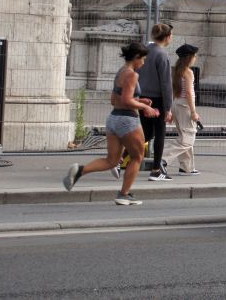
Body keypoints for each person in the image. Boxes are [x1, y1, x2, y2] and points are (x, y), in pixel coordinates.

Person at [63, 42, 158, 205]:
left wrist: (139, 99)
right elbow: (127, 100)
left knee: (112, 161)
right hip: (128, 120)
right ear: (136, 58)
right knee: (137, 156)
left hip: (113, 119)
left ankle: (79, 171)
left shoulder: (120, 72)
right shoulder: (132, 74)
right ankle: (124, 194)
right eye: (142, 59)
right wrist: (144, 107)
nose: (143, 63)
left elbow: (114, 100)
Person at [138, 23, 174, 181]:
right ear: (167, 37)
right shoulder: (162, 55)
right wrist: (168, 107)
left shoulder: (144, 52)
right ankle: (155, 169)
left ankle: (119, 159)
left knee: (145, 133)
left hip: (142, 97)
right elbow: (166, 83)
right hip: (157, 99)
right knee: (159, 133)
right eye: (171, 35)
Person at [162, 44, 201, 176]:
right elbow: (189, 93)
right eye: (194, 55)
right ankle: (163, 159)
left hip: (177, 104)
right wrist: (194, 112)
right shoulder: (188, 72)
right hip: (185, 106)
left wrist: (171, 110)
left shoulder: (177, 70)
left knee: (184, 136)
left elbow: (174, 90)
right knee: (188, 138)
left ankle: (186, 167)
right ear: (189, 57)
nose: (196, 57)